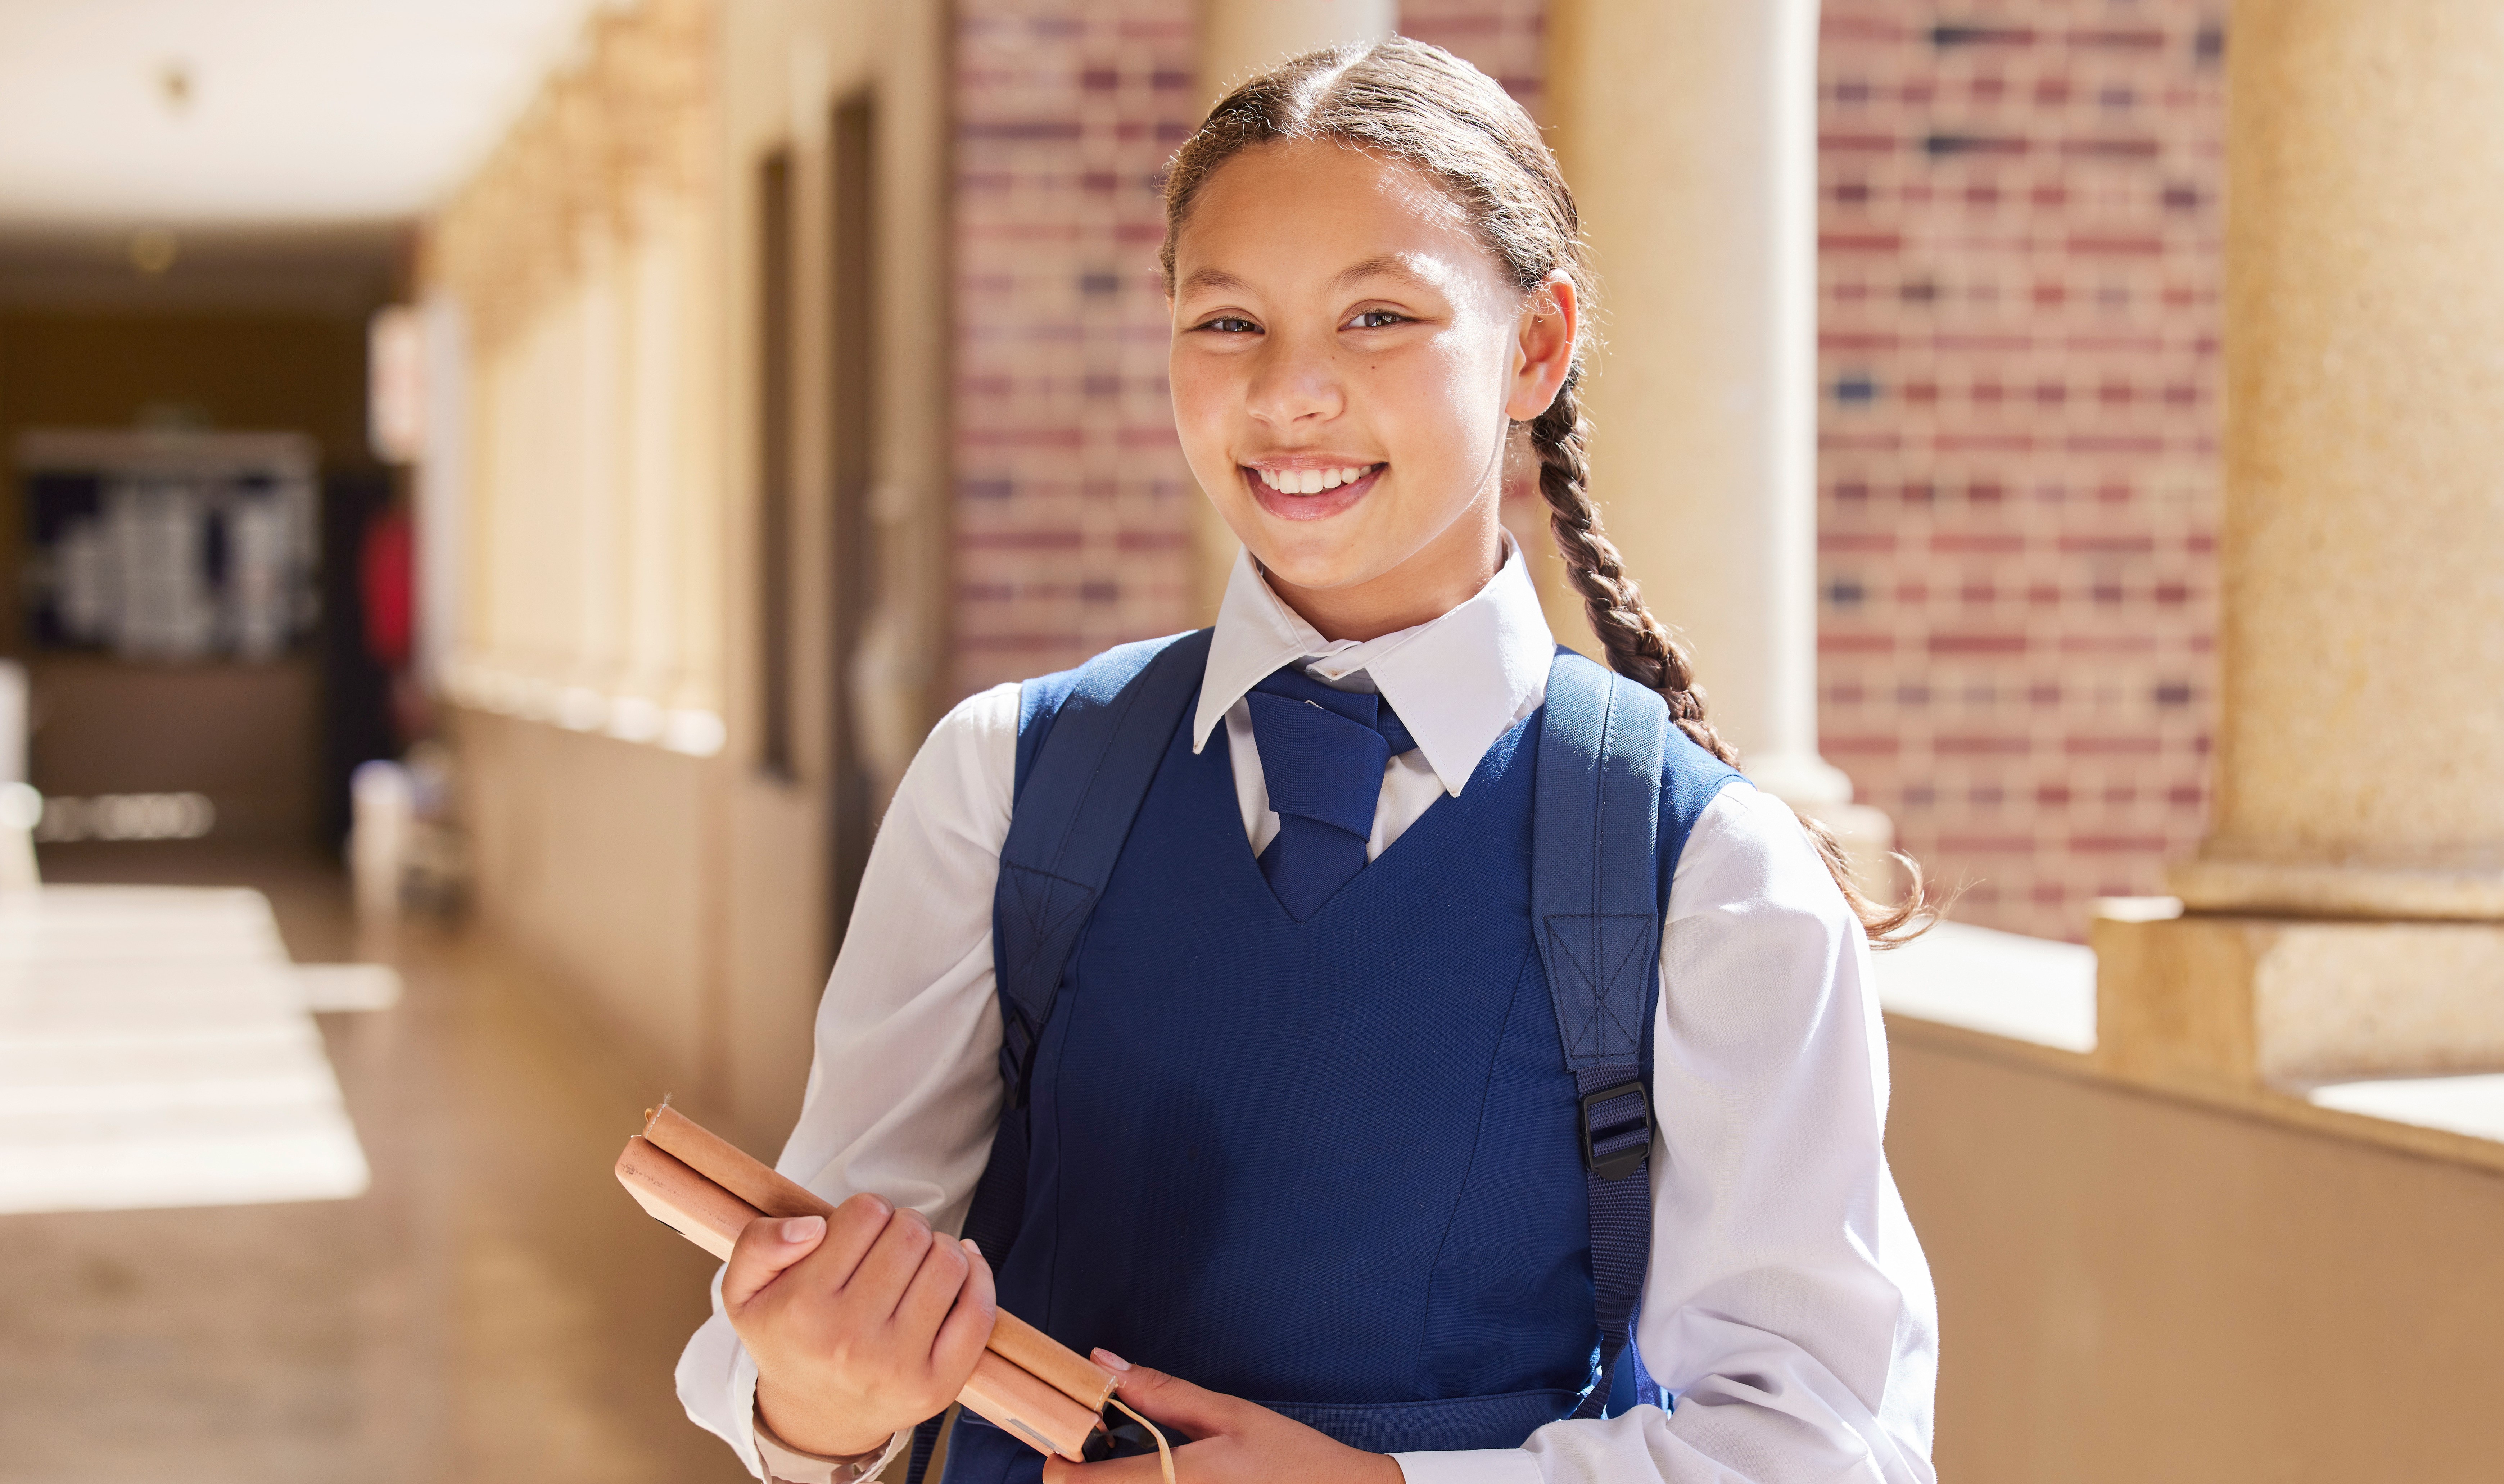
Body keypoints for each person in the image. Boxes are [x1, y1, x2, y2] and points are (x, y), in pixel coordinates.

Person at [680, 37, 1939, 1484]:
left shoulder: (1704, 872)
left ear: (1536, 347)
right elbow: (822, 1291)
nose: (1290, 395)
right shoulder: (1007, 784)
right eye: (1227, 324)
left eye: (1380, 317)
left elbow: (1828, 1448)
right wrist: (818, 1400)